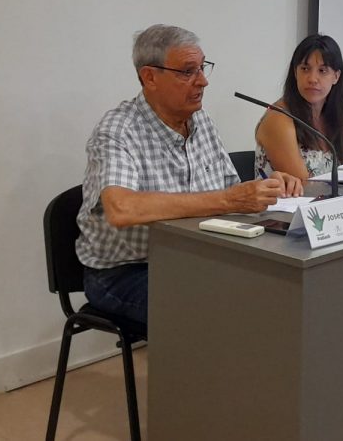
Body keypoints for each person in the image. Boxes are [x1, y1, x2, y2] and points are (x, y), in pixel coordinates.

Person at [75, 24, 302, 326]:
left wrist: (267, 189)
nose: (203, 81)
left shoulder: (201, 120)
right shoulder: (118, 131)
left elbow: (232, 193)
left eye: (203, 67)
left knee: (280, 286)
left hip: (197, 258)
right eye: (187, 71)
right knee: (215, 309)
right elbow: (121, 209)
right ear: (150, 77)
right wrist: (228, 200)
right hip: (126, 271)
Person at [255, 34, 343, 180]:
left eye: (322, 71)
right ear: (295, 72)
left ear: (336, 76)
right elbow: (303, 186)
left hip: (328, 201)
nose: (312, 79)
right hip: (290, 202)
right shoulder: (279, 119)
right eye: (305, 69)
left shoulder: (334, 118)